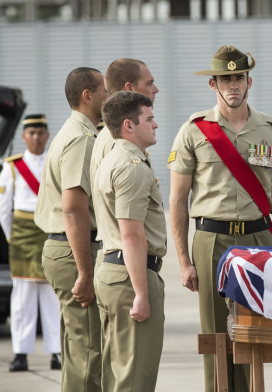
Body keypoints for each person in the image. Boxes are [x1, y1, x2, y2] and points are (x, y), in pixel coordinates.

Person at [168, 45, 272, 392]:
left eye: (239, 77)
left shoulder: (271, 128)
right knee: (216, 334)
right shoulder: (194, 130)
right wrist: (183, 260)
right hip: (212, 241)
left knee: (257, 331)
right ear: (213, 85)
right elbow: (178, 199)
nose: (233, 85)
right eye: (226, 79)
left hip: (258, 240)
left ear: (249, 82)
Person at [34, 67, 108, 391]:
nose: (109, 96)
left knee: (79, 350)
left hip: (66, 247)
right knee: (89, 352)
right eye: (104, 89)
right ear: (87, 95)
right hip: (74, 249)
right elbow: (74, 209)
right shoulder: (81, 138)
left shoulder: (77, 131)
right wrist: (85, 272)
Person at [93, 91, 166, 390]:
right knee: (135, 378)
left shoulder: (114, 160)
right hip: (130, 276)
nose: (156, 125)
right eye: (148, 119)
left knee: (118, 374)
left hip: (115, 271)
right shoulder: (130, 167)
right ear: (129, 126)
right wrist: (141, 294)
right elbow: (132, 235)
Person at [0, 114, 62, 372]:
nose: (36, 137)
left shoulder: (54, 163)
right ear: (24, 136)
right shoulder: (12, 166)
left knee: (52, 296)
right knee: (22, 298)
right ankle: (20, 353)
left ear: (47, 136)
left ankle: (56, 352)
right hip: (22, 235)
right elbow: (3, 209)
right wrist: (13, 237)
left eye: (40, 132)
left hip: (50, 232)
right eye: (31, 133)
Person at [90, 58, 159, 180]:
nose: (155, 90)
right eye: (149, 84)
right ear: (129, 88)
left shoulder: (115, 132)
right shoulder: (119, 137)